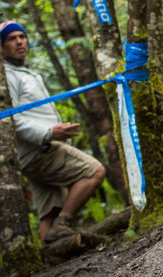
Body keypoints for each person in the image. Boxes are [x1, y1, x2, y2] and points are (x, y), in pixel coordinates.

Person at [1, 21, 106, 244]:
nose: (19, 42)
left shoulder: (23, 72)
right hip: (40, 151)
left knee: (49, 211)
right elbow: (10, 120)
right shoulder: (7, 77)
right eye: (11, 39)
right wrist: (49, 132)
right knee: (93, 172)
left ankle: (52, 259)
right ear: (2, 47)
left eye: (22, 36)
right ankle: (63, 226)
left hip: (34, 153)